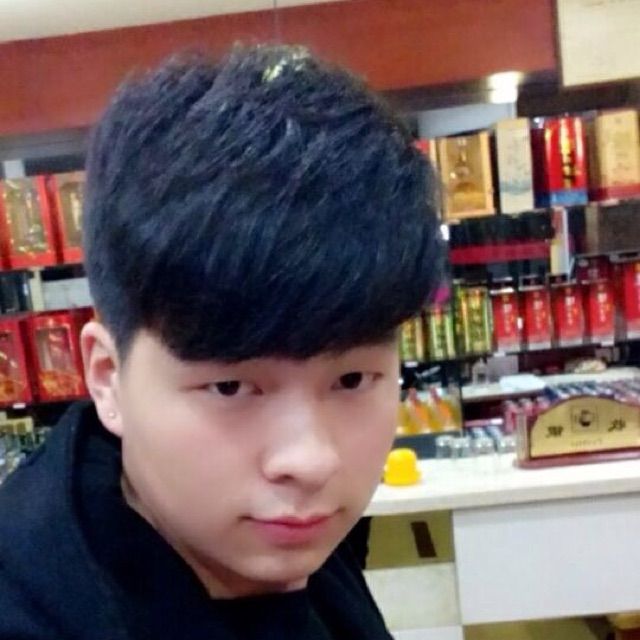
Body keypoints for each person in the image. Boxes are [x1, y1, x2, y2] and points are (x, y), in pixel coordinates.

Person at [0, 44, 442, 639]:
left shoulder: (273, 544)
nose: (310, 461)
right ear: (107, 377)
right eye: (231, 387)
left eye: (352, 379)